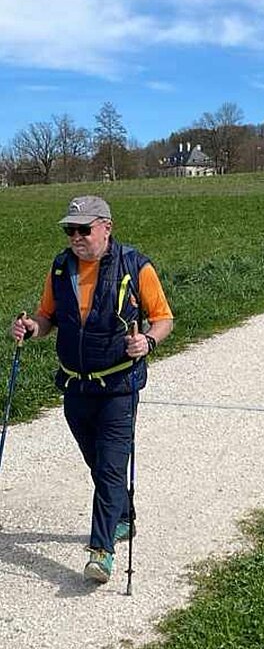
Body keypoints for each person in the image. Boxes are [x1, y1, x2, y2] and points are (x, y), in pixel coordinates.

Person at [10, 196, 174, 584]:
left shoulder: (135, 265)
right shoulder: (61, 267)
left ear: (106, 228)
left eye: (84, 229)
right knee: (98, 463)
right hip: (75, 386)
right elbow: (47, 317)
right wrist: (32, 328)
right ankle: (124, 516)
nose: (76, 238)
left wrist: (147, 341)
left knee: (111, 465)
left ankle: (101, 552)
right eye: (70, 230)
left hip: (119, 385)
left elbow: (163, 318)